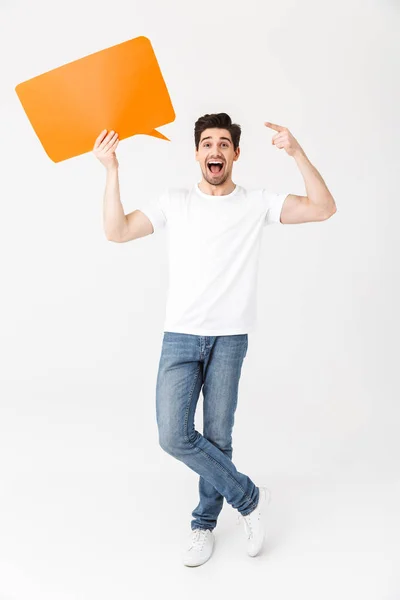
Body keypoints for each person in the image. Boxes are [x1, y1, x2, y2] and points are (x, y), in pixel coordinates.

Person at [93, 113, 336, 567]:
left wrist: (296, 152)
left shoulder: (256, 202)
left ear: (235, 154)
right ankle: (250, 498)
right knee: (174, 435)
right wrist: (111, 170)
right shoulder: (175, 201)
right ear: (197, 153)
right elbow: (117, 230)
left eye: (224, 144)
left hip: (229, 337)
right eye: (207, 144)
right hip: (181, 336)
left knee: (218, 438)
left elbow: (324, 208)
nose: (215, 151)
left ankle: (203, 524)